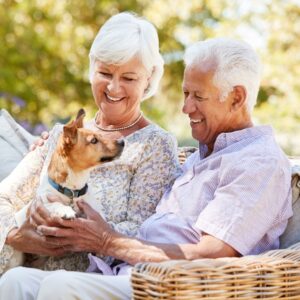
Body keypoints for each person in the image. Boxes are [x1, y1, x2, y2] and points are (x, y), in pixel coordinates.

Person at [0, 38, 292, 300]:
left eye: (198, 97)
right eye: (185, 94)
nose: (185, 108)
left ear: (237, 98)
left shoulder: (257, 162)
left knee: (60, 287)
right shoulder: (202, 157)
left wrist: (106, 241)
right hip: (127, 274)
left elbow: (211, 253)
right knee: (16, 280)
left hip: (172, 287)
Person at [0, 12, 180, 273]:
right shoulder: (62, 136)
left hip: (89, 282)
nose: (114, 88)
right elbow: (3, 198)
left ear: (148, 78)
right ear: (92, 69)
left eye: (129, 78)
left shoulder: (155, 145)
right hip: (23, 273)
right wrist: (17, 235)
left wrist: (81, 233)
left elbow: (144, 230)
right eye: (105, 73)